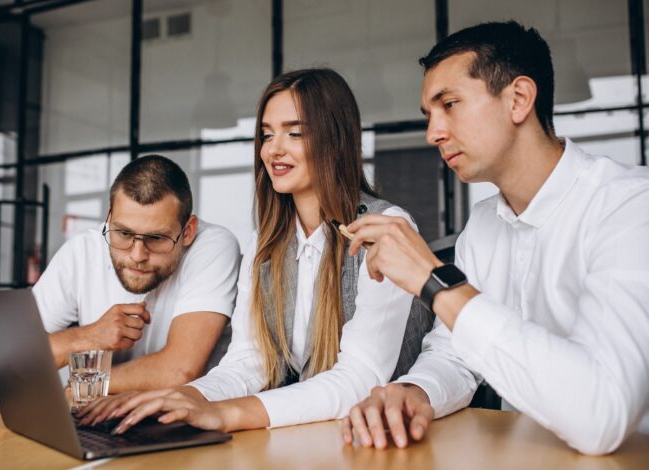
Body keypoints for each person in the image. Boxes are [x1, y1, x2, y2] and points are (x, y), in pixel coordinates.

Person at [343, 21, 649, 455]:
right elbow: (455, 355)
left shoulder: (631, 207)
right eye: (429, 115)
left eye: (449, 104)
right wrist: (414, 392)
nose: (433, 133)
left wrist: (434, 281)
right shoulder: (483, 226)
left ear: (519, 99)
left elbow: (602, 418)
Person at [76, 68, 427, 434]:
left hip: (390, 441)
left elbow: (360, 379)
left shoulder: (387, 227)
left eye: (294, 133)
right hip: (311, 438)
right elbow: (250, 360)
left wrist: (225, 413)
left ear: (335, 140)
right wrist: (184, 398)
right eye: (266, 134)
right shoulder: (267, 241)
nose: (274, 149)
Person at [33, 155, 240, 393]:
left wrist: (81, 385)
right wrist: (88, 337)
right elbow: (15, 360)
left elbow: (179, 371)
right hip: (97, 416)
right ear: (109, 219)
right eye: (124, 234)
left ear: (188, 231)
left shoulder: (214, 245)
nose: (137, 255)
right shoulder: (82, 250)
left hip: (181, 422)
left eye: (156, 238)